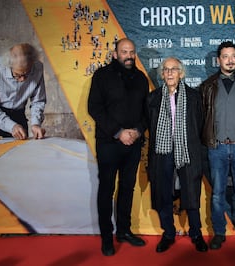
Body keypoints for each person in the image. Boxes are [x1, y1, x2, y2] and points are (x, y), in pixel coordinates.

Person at [88, 38, 149, 256]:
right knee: (106, 190)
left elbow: (146, 112)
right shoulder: (102, 76)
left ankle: (124, 231)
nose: (129, 56)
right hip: (108, 144)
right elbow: (94, 108)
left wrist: (137, 131)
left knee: (127, 188)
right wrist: (118, 132)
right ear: (115, 54)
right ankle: (107, 237)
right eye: (124, 52)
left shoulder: (141, 78)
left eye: (132, 52)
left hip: (133, 144)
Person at [199, 41, 235, 252]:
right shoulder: (207, 86)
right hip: (216, 149)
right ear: (218, 60)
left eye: (233, 56)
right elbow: (201, 119)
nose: (230, 60)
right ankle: (219, 233)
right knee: (217, 195)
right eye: (225, 56)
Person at [147, 57, 208, 253]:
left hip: (188, 150)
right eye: (166, 69)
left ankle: (196, 233)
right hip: (162, 152)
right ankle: (168, 233)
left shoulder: (194, 97)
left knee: (191, 193)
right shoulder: (153, 98)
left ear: (181, 73)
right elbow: (150, 126)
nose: (170, 73)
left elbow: (200, 125)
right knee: (163, 192)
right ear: (162, 74)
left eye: (174, 69)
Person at [0, 43, 46, 140]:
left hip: (19, 115)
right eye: (18, 75)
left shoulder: (38, 68)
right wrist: (11, 126)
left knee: (21, 153)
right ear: (9, 65)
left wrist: (36, 124)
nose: (22, 80)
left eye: (27, 74)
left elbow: (38, 101)